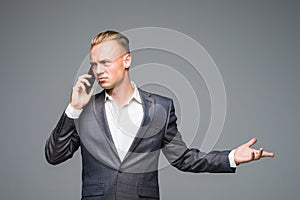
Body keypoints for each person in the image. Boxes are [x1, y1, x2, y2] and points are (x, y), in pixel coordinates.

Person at [45, 30, 274, 200]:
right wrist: (73, 108)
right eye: (94, 64)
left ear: (127, 60)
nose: (99, 71)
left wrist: (231, 157)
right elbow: (54, 156)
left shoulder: (160, 109)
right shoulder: (84, 111)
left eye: (106, 62)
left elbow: (183, 158)